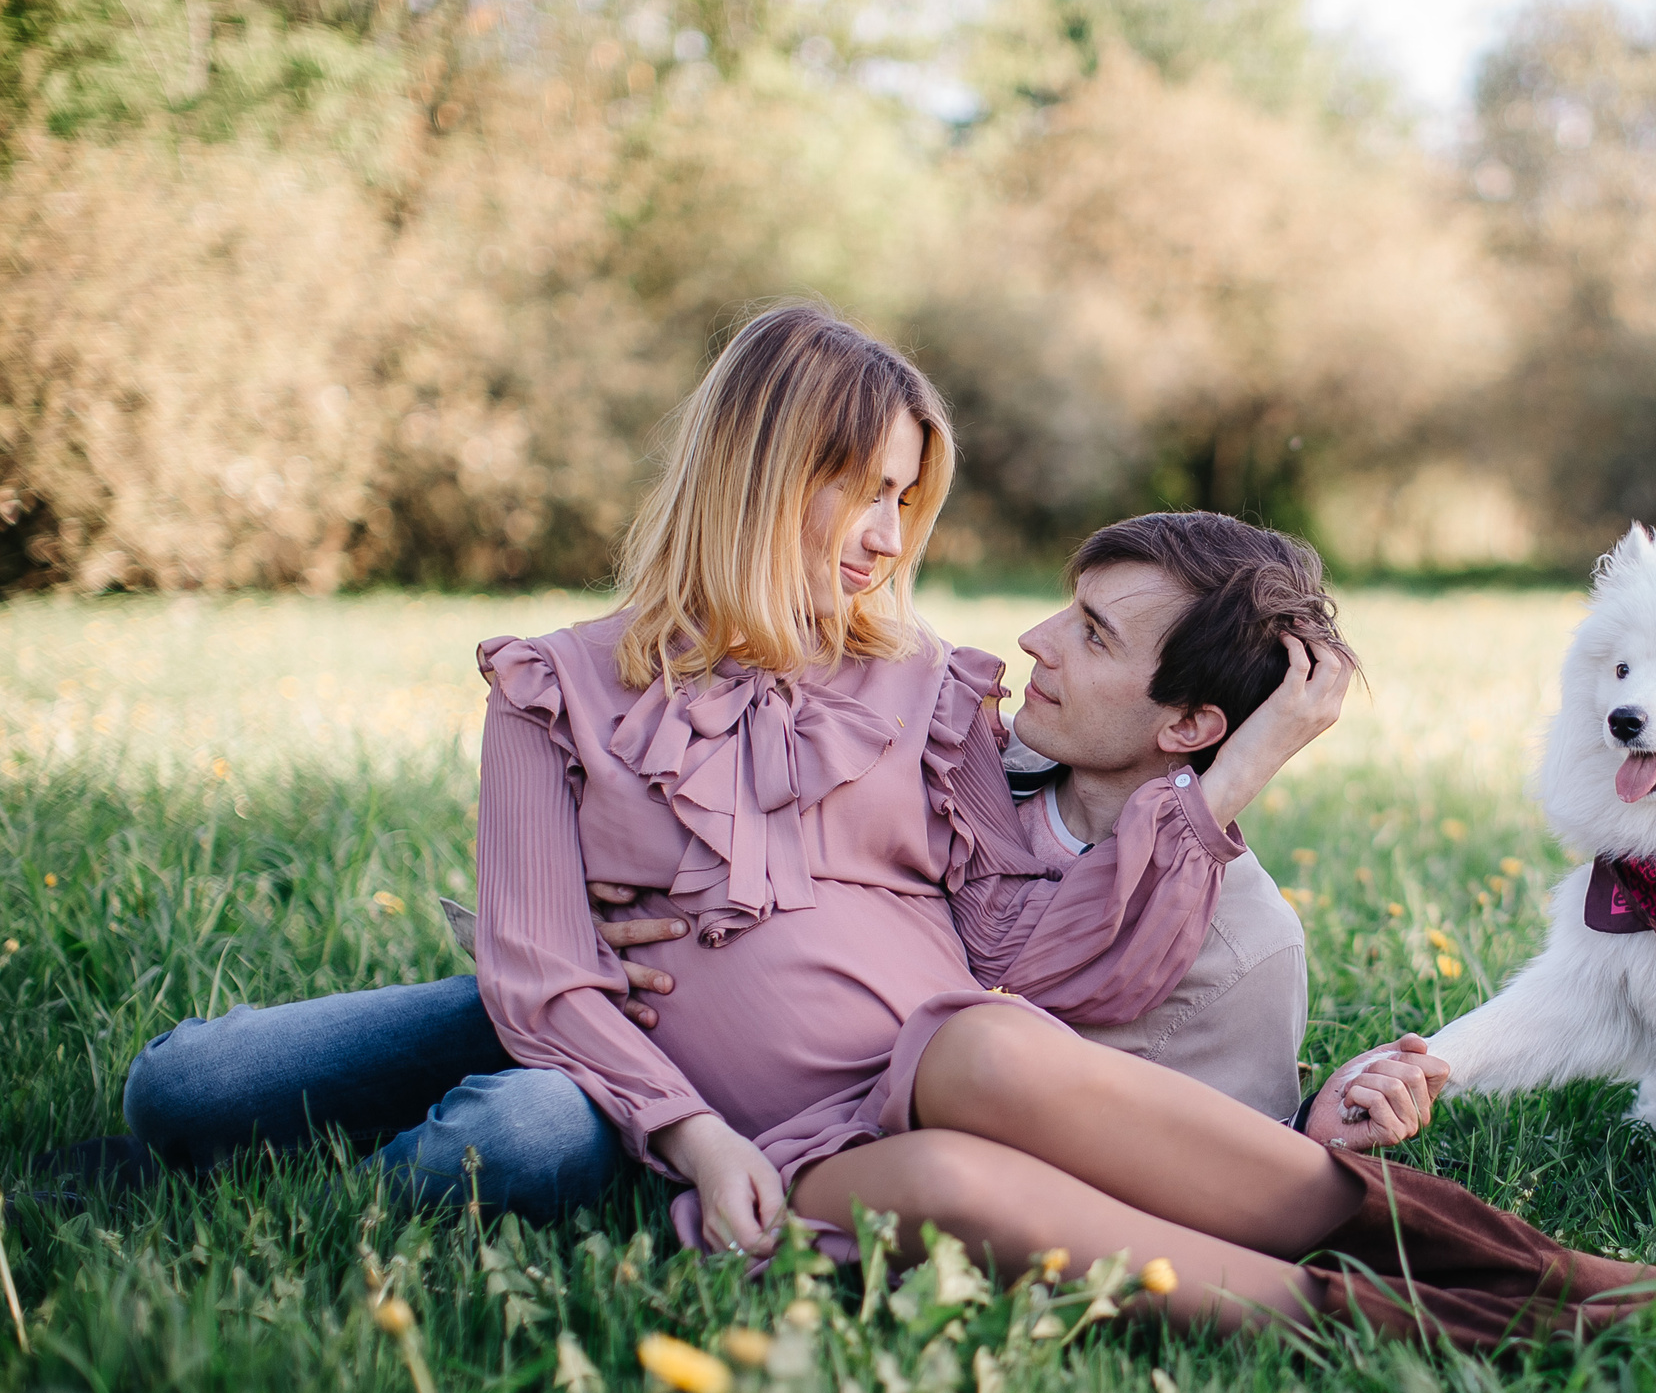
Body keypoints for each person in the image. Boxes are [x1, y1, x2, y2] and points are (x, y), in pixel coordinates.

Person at [104, 306, 1656, 1342]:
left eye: (904, 500)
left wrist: (1233, 775)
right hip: (739, 1120)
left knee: (985, 1049)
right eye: (855, 491)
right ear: (752, 471)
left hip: (918, 1066)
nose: (882, 537)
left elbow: (1045, 952)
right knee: (202, 1093)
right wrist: (694, 1130)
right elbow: (540, 973)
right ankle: (1377, 1322)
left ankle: (1549, 1278)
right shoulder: (551, 691)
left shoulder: (927, 692)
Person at [86, 511, 1433, 1224]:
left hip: (759, 1118)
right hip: (604, 997)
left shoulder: (1234, 944)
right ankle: (205, 1148)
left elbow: (1183, 1143)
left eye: (1088, 631)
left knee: (509, 1148)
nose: (1034, 639)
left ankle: (299, 1202)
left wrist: (1234, 791)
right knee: (187, 1088)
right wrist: (611, 911)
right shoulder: (980, 742)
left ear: (1194, 724)